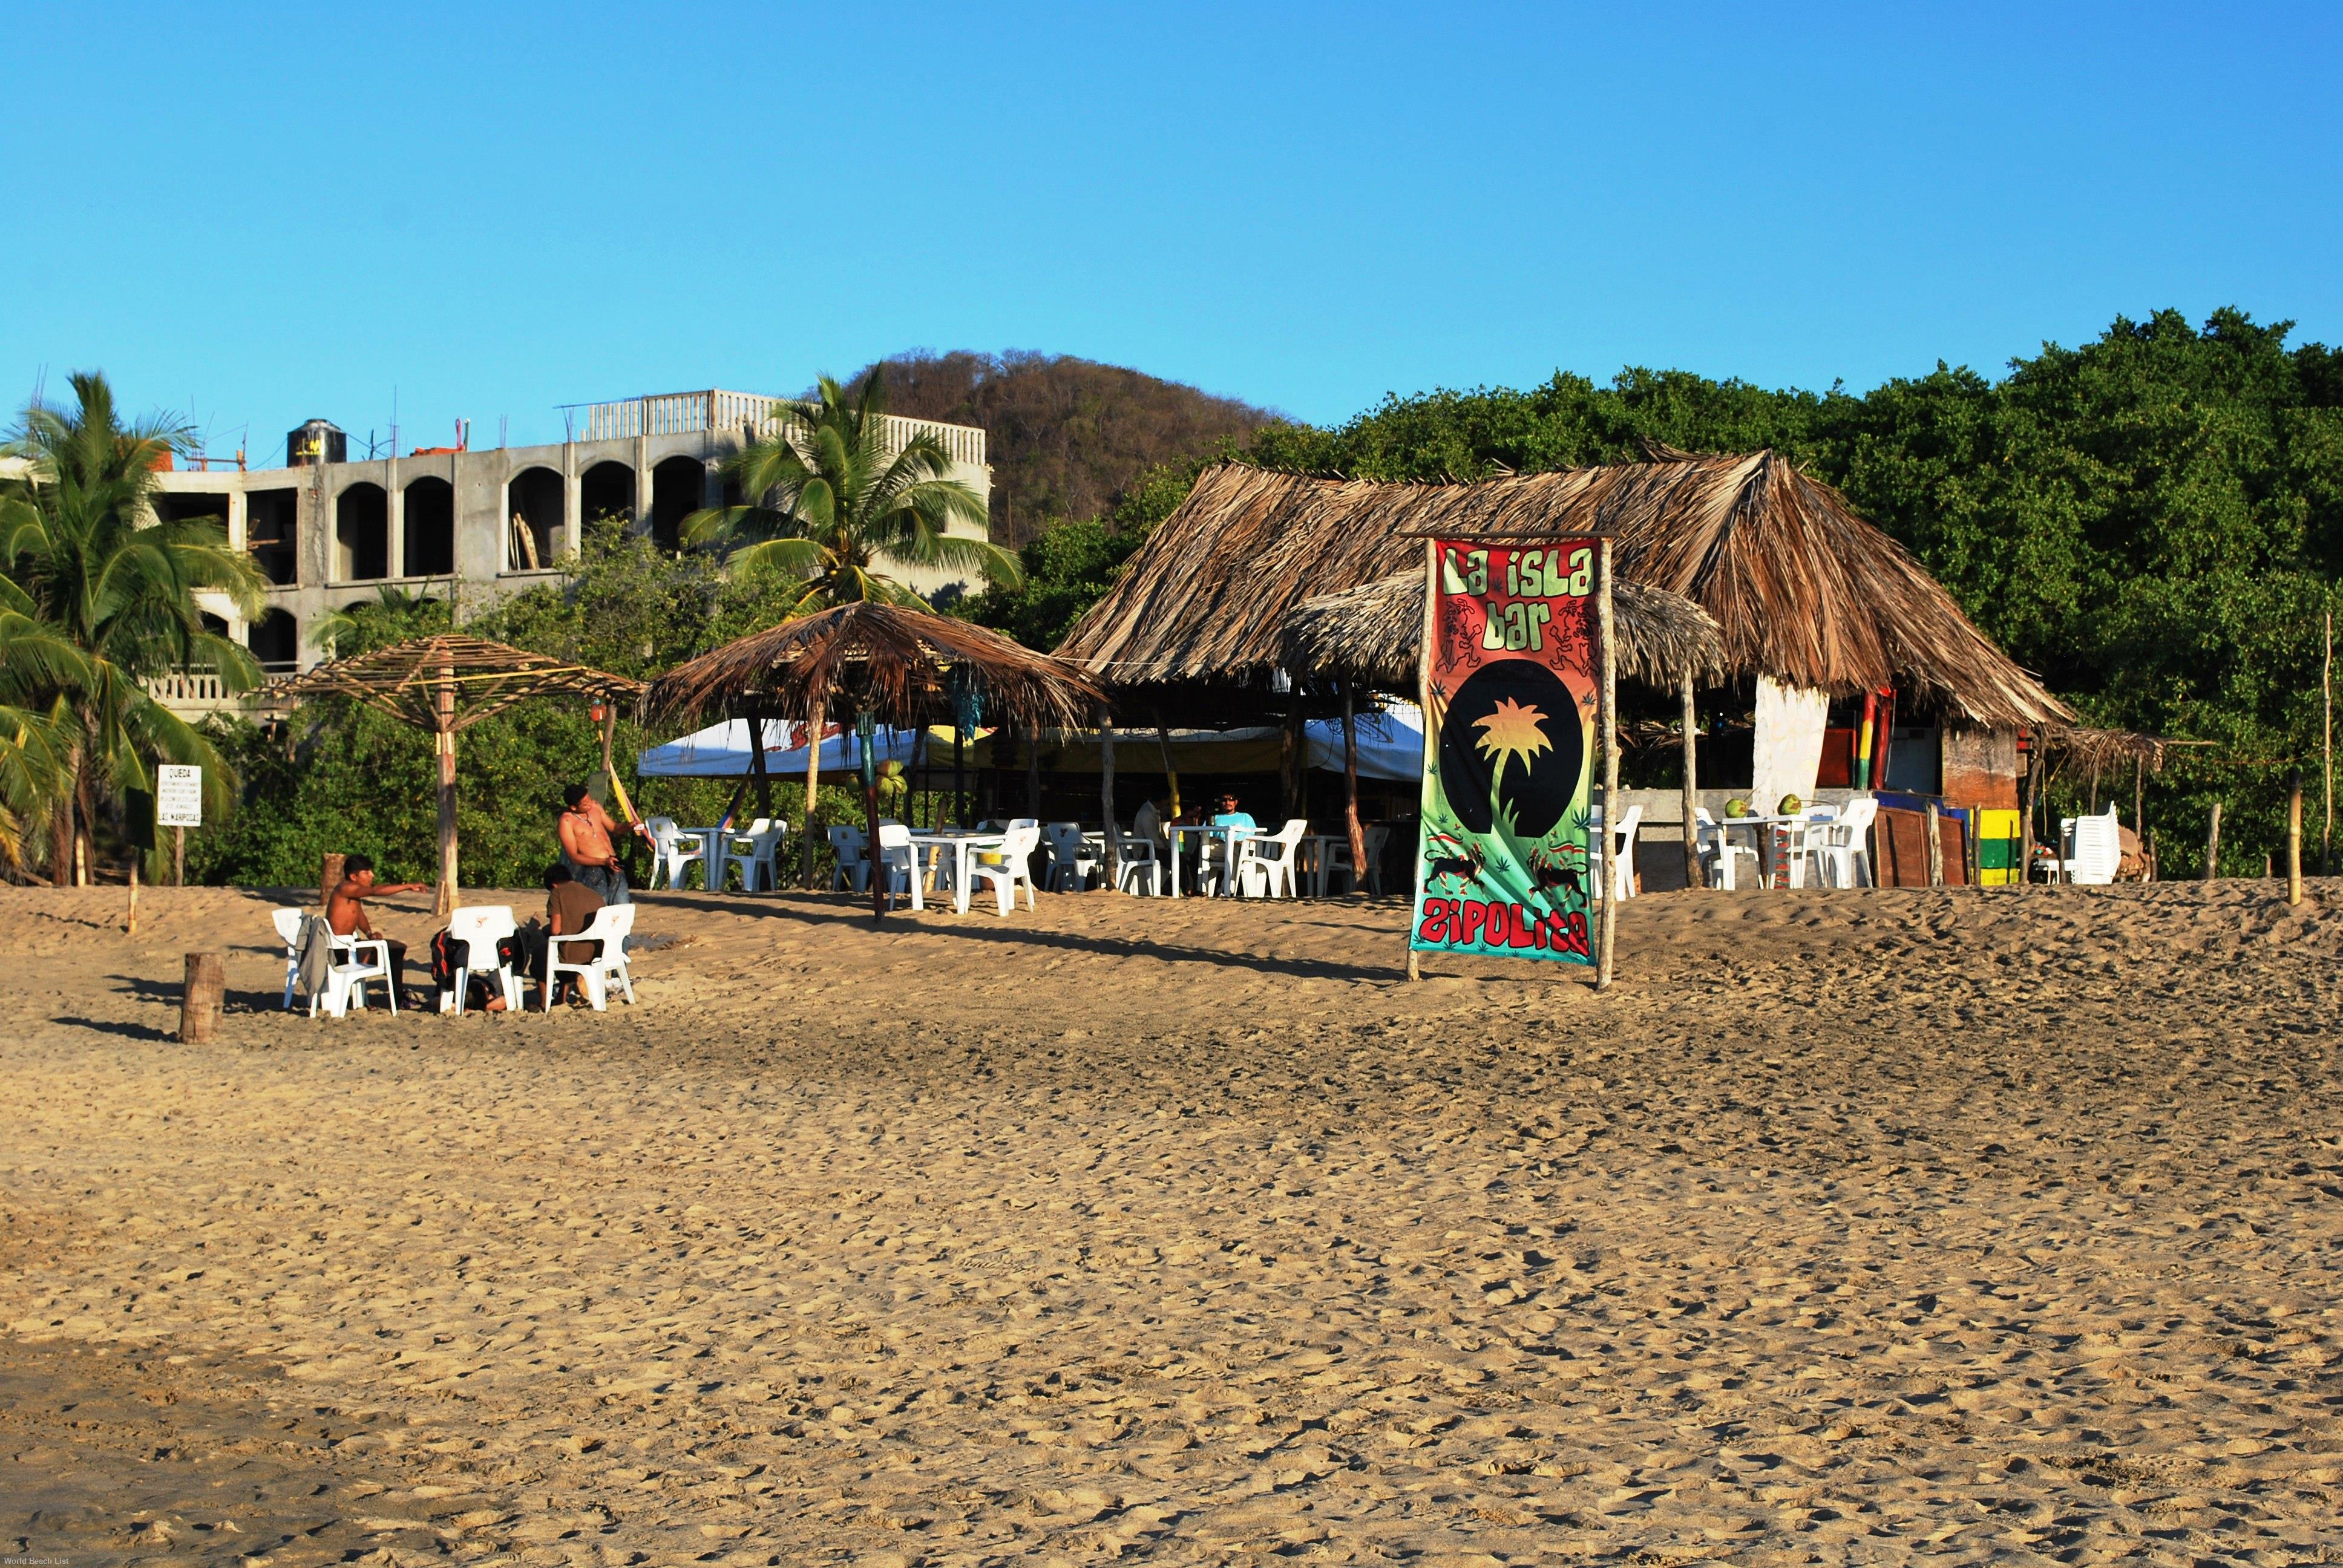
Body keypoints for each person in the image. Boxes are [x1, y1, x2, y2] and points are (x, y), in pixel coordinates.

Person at [325, 854, 427, 1007]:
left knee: (396, 949)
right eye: (367, 872)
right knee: (394, 952)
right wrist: (408, 886)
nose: (372, 875)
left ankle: (397, 997)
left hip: (349, 947)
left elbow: (358, 914)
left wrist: (369, 933)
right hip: (340, 951)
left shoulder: (352, 894)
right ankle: (398, 999)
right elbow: (375, 891)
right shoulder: (346, 888)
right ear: (354, 876)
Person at [523, 861, 606, 1005]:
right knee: (559, 947)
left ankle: (544, 1002)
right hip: (598, 951)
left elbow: (556, 931)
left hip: (577, 953)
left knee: (540, 953)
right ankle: (561, 996)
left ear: (554, 885)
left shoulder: (557, 893)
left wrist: (545, 930)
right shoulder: (594, 894)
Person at [558, 783, 634, 906]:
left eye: (589, 799)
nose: (590, 804)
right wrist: (603, 862)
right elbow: (574, 857)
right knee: (599, 907)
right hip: (594, 869)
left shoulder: (595, 807)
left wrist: (629, 826)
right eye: (585, 803)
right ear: (573, 807)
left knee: (622, 905)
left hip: (614, 863)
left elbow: (615, 828)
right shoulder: (567, 821)